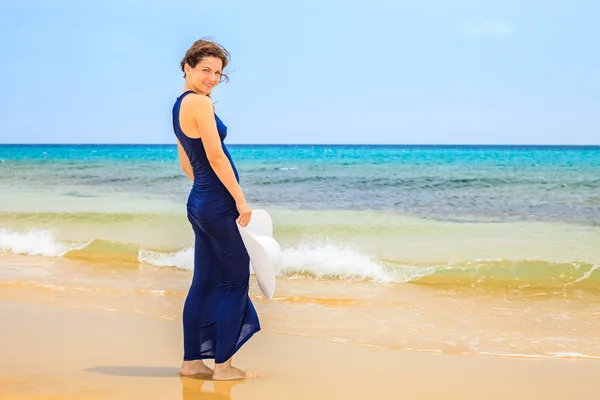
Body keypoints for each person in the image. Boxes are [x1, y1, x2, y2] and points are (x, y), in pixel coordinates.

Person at [172, 38, 260, 381]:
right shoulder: (199, 103)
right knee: (236, 280)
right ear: (187, 67)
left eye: (217, 73)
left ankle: (192, 362)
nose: (211, 78)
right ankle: (222, 366)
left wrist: (205, 191)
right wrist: (238, 199)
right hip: (217, 203)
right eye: (205, 70)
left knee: (204, 281)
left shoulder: (180, 104)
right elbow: (215, 156)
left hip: (199, 201)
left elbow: (186, 163)